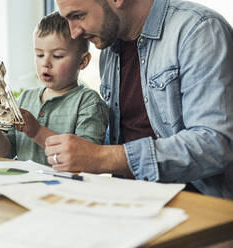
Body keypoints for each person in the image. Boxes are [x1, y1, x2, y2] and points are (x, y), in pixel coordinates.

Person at [46, 0, 233, 199]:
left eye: (78, 16)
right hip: (132, 200)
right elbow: (124, 134)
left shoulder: (199, 30)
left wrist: (102, 157)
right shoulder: (110, 49)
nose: (74, 33)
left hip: (198, 205)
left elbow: (216, 144)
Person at [0, 11, 109, 166]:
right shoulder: (25, 98)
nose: (46, 63)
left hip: (67, 188)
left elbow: (86, 158)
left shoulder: (89, 102)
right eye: (39, 55)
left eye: (57, 56)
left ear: (83, 61)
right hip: (26, 186)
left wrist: (37, 132)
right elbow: (6, 153)